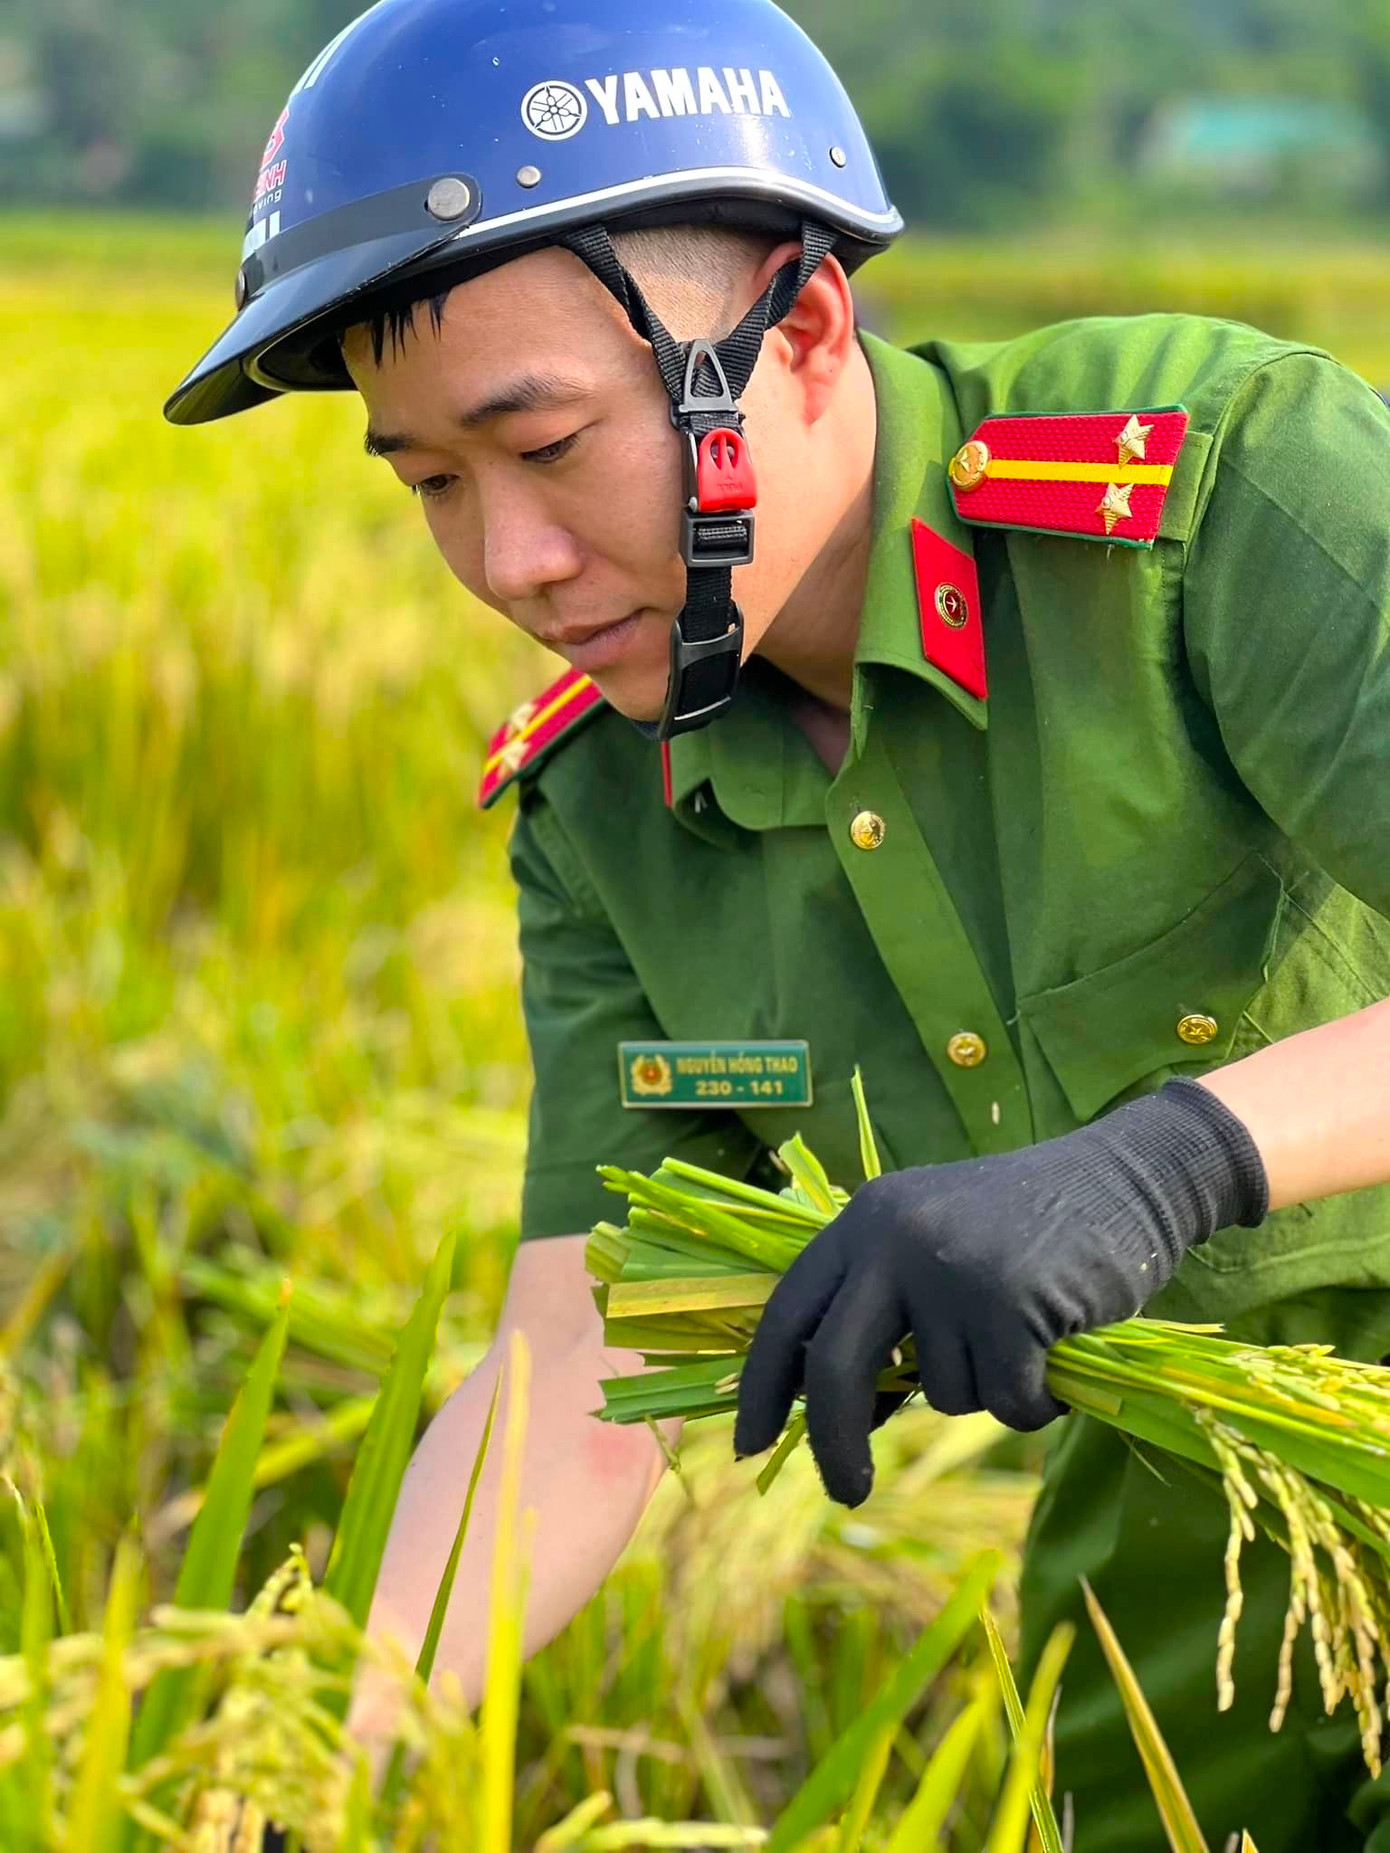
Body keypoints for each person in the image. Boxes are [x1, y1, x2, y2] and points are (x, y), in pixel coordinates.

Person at [166, 1, 1390, 1845]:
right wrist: (323, 1743)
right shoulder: (604, 811)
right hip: (1189, 1582)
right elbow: (584, 1346)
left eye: (548, 443)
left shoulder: (1204, 492)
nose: (509, 564)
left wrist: (1168, 1167)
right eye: (431, 484)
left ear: (801, 328)